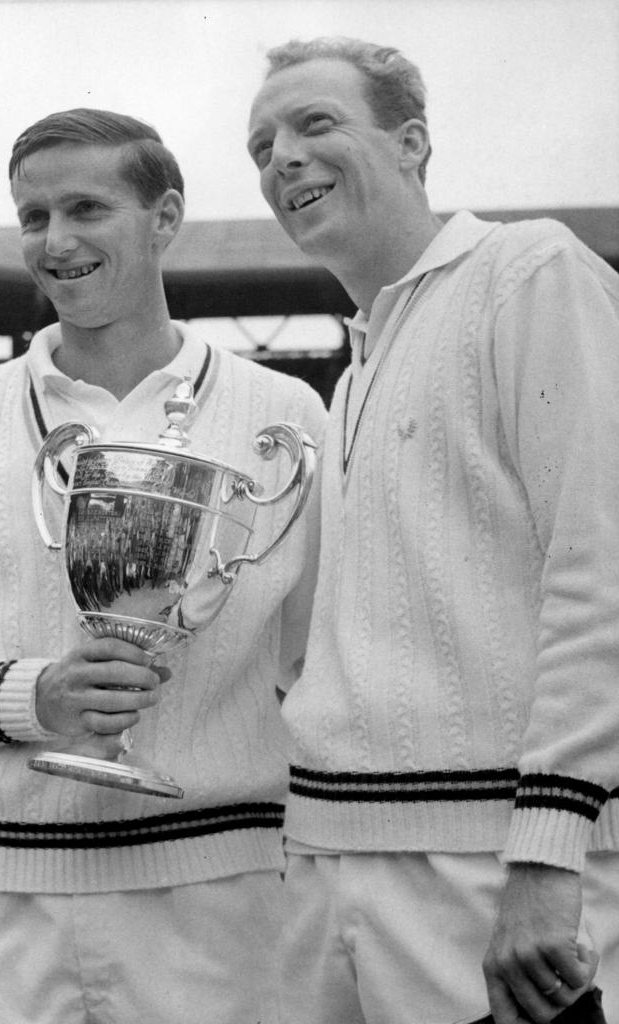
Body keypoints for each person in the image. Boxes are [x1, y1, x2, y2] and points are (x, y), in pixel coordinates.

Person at [0, 107, 326, 1024]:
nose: (56, 241)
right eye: (34, 217)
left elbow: (319, 667)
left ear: (166, 217)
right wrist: (42, 696)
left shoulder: (287, 416)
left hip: (223, 904)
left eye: (86, 208)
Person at [246, 37, 619, 1024]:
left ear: (412, 142)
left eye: (315, 123)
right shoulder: (356, 371)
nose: (281, 155)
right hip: (332, 862)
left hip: (488, 868)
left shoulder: (529, 269)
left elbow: (602, 569)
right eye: (262, 144)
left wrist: (549, 856)